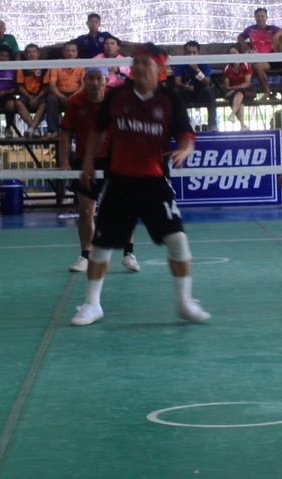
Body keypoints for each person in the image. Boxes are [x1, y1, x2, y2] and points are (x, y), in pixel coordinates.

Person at [71, 48, 207, 326]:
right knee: (101, 246)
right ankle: (92, 304)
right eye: (136, 62)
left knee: (178, 241)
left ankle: (184, 303)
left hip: (155, 182)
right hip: (120, 181)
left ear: (159, 70)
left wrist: (184, 149)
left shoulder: (170, 99)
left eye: (145, 63)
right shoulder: (117, 97)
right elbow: (98, 130)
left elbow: (186, 135)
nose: (139, 67)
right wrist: (88, 162)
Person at [59, 68, 139, 273]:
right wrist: (65, 161)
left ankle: (129, 254)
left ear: (105, 80)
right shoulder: (75, 103)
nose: (95, 83)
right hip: (86, 160)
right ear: (84, 80)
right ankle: (86, 256)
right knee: (86, 210)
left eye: (99, 78)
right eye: (91, 78)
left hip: (115, 158)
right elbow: (65, 132)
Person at [169, 40, 216, 128]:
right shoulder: (180, 64)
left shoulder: (204, 63)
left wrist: (196, 69)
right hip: (187, 91)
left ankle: (212, 125)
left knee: (209, 91)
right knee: (176, 94)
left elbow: (207, 81)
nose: (191, 55)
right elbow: (177, 81)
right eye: (189, 53)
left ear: (198, 53)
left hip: (200, 92)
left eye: (194, 52)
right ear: (185, 53)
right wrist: (185, 86)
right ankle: (182, 126)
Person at [242, 7, 282, 92]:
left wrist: (277, 34)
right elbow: (240, 37)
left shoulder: (271, 28)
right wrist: (245, 45)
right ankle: (267, 91)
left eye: (262, 16)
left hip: (272, 59)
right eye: (258, 16)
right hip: (257, 59)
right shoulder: (250, 29)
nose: (260, 18)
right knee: (256, 66)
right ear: (255, 17)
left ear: (266, 17)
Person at [221, 40, 259, 127]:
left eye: (235, 53)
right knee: (239, 97)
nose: (233, 56)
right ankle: (242, 125)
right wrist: (234, 90)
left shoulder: (245, 65)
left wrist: (234, 90)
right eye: (231, 54)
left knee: (239, 93)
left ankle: (232, 114)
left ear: (239, 54)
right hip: (235, 93)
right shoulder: (227, 68)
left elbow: (247, 83)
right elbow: (227, 86)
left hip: (248, 92)